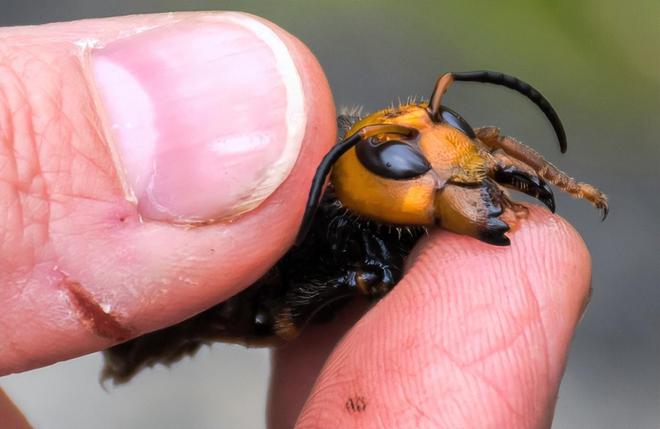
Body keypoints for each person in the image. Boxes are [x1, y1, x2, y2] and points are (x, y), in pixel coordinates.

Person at [0, 12, 591, 428]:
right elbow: (282, 317)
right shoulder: (334, 216)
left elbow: (484, 140)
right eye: (411, 162)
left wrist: (558, 178)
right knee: (293, 306)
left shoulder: (406, 181)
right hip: (222, 304)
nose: (457, 161)